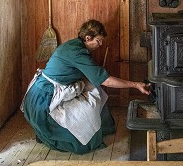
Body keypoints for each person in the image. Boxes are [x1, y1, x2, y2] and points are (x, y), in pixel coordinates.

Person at [21, 19, 151, 154]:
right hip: (44, 96)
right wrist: (136, 85)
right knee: (88, 106)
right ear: (88, 38)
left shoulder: (75, 45)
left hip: (49, 86)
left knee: (95, 91)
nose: (100, 45)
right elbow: (106, 81)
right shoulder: (78, 53)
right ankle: (84, 139)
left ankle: (100, 128)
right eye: (98, 41)